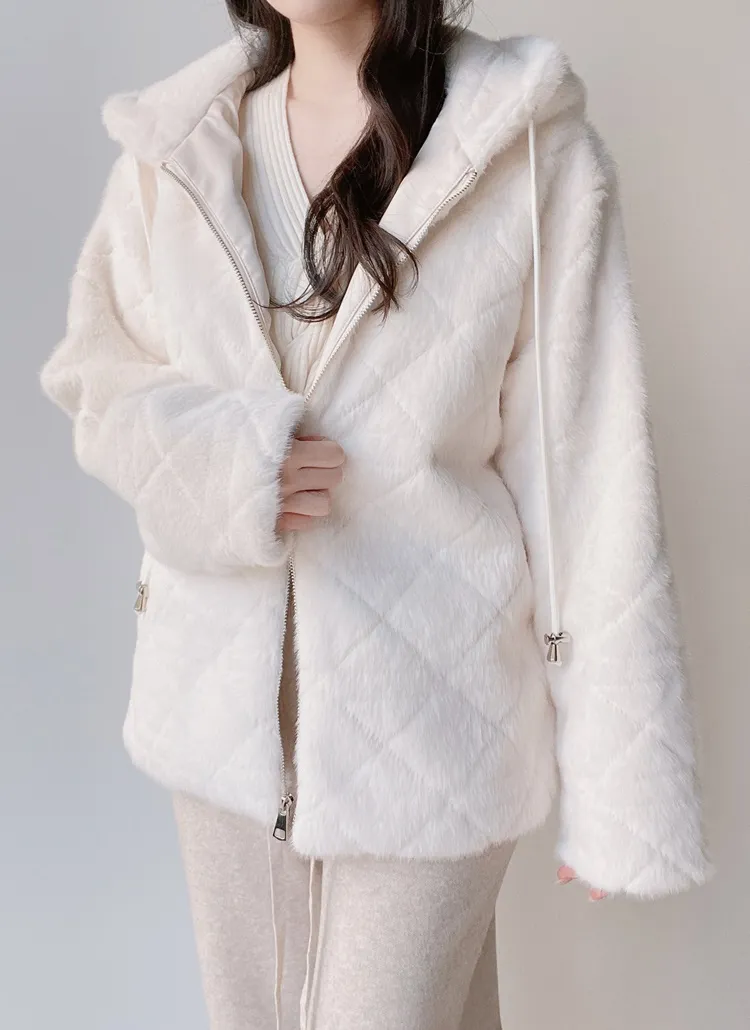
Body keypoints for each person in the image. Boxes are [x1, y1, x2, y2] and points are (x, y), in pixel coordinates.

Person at [39, 1, 714, 1027]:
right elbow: (98, 378)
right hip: (218, 721)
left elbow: (592, 473)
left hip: (441, 724)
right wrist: (224, 469)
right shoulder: (175, 150)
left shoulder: (527, 150)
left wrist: (621, 791)